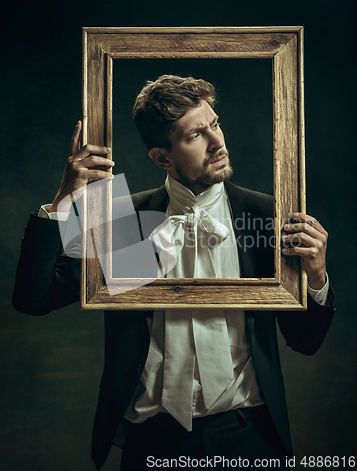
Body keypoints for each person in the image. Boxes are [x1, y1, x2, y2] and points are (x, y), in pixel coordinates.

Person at [13, 75, 334, 470]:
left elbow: (304, 341)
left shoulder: (266, 215)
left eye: (214, 124)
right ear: (162, 157)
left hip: (249, 437)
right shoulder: (123, 220)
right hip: (153, 442)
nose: (218, 142)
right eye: (195, 135)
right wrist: (62, 201)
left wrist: (316, 278)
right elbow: (34, 298)